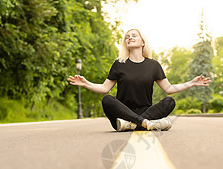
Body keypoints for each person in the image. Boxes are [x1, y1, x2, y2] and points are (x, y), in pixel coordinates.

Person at [68, 29, 211, 131]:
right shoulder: (119, 63)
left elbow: (169, 89)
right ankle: (145, 123)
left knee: (170, 102)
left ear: (142, 42)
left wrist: (191, 83)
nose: (129, 38)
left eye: (134, 35)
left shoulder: (153, 65)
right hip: (122, 114)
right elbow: (105, 89)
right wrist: (86, 83)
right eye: (127, 37)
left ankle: (134, 124)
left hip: (141, 113)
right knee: (107, 100)